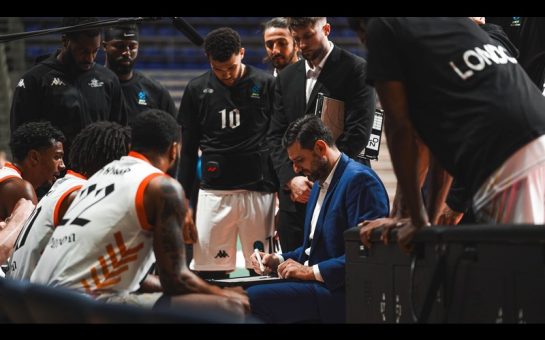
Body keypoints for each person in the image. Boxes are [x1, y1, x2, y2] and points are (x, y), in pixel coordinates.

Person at [31, 110, 249, 319]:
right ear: (174, 150)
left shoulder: (99, 177)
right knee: (231, 308)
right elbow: (176, 280)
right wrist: (224, 292)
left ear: (131, 145)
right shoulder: (161, 187)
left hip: (35, 300)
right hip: (80, 306)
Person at [352, 17, 545, 253]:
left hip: (506, 151)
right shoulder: (451, 26)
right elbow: (432, 141)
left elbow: (400, 130)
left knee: (519, 269)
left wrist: (416, 219)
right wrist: (424, 223)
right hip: (535, 131)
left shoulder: (382, 26)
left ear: (364, 29)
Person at [248, 115, 389, 323]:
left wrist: (310, 272)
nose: (295, 170)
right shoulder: (317, 185)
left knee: (250, 299)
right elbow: (313, 249)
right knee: (238, 291)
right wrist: (276, 259)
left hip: (343, 294)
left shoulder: (360, 181)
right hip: (319, 287)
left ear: (321, 148)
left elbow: (367, 256)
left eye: (299, 160)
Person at [268, 17, 376, 252]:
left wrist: (321, 177)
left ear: (326, 29)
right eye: (297, 39)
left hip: (342, 185)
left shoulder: (356, 69)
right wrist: (291, 179)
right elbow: (276, 135)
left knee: (343, 270)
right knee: (290, 275)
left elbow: (358, 132)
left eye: (308, 36)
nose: (302, 45)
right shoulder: (285, 77)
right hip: (296, 195)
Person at [178, 27, 277, 279]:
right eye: (218, 69)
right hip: (213, 192)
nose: (226, 75)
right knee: (210, 271)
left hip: (259, 191)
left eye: (231, 67)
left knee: (262, 269)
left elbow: (277, 141)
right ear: (208, 60)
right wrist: (184, 200)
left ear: (242, 53)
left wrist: (280, 189)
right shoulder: (196, 89)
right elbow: (188, 152)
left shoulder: (266, 84)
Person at [7, 121, 131, 281]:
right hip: (34, 299)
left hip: (20, 290)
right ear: (115, 165)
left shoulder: (64, 186)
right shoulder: (80, 195)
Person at [10, 17, 127, 161]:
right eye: (83, 51)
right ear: (65, 41)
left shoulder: (109, 79)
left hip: (97, 175)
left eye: (95, 51)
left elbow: (120, 131)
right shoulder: (35, 80)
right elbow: (20, 139)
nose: (90, 58)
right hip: (53, 177)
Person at [103, 24, 177, 123]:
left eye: (132, 46)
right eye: (120, 46)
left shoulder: (155, 91)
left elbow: (175, 131)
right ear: (104, 46)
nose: (127, 52)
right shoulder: (92, 85)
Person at [0, 121, 65, 222]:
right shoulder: (21, 189)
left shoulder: (7, 177)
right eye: (57, 157)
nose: (62, 165)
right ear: (34, 157)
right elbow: (31, 237)